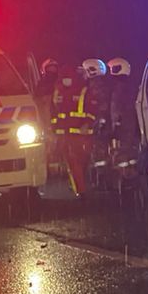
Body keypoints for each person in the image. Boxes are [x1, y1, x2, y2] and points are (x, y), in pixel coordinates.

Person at [50, 59, 106, 195]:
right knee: (71, 162)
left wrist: (87, 123)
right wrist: (53, 129)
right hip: (63, 134)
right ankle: (80, 190)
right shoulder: (58, 92)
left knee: (82, 161)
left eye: (68, 78)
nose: (66, 80)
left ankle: (83, 187)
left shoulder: (84, 91)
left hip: (81, 134)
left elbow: (92, 110)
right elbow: (53, 112)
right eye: (64, 78)